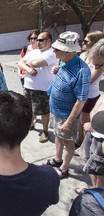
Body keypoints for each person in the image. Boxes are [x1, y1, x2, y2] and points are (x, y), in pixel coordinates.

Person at [45, 31, 91, 179]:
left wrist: (69, 121)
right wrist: (58, 71)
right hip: (56, 110)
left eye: (57, 49)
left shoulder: (83, 71)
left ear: (67, 51)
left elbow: (81, 100)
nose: (54, 51)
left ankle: (64, 169)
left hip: (67, 116)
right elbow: (66, 77)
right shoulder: (64, 62)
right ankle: (58, 159)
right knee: (58, 136)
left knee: (68, 142)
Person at [74, 39, 104, 194]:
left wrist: (94, 124)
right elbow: (102, 97)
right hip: (94, 129)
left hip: (101, 134)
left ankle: (96, 195)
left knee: (100, 169)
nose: (96, 68)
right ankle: (93, 190)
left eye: (99, 65)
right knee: (91, 162)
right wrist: (92, 121)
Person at [18, 31, 59, 143]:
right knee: (29, 109)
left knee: (44, 112)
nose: (37, 42)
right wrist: (28, 69)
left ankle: (45, 131)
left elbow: (36, 63)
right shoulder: (34, 51)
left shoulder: (52, 52)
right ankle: (31, 124)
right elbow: (20, 62)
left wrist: (27, 63)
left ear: (49, 41)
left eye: (40, 40)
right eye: (36, 39)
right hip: (28, 86)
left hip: (43, 89)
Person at [69, 110, 104, 216]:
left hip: (100, 140)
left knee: (100, 173)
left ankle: (96, 193)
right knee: (93, 168)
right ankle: (94, 190)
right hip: (96, 132)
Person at [75, 31, 104, 149]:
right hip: (80, 93)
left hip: (90, 95)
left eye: (87, 41)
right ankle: (80, 141)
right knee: (80, 122)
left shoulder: (99, 63)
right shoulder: (84, 55)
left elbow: (88, 80)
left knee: (85, 123)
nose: (83, 43)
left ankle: (84, 146)